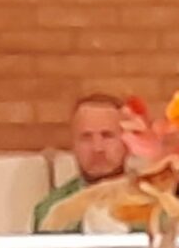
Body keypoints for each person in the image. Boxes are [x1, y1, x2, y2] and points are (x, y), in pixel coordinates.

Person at [32, 93, 138, 229]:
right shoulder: (50, 211)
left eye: (107, 136)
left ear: (128, 142)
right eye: (86, 137)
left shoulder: (156, 204)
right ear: (73, 145)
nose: (97, 148)